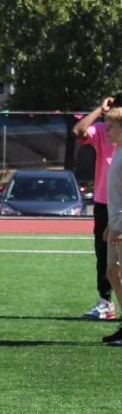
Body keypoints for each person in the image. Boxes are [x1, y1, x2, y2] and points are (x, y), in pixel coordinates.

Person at [73, 97, 117, 320]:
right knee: (105, 256)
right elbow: (79, 130)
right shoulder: (103, 130)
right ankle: (105, 301)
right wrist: (100, 109)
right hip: (104, 203)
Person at [98, 108, 122, 346]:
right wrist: (110, 223)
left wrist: (120, 225)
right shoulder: (117, 152)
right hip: (116, 221)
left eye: (111, 126)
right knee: (113, 273)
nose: (107, 130)